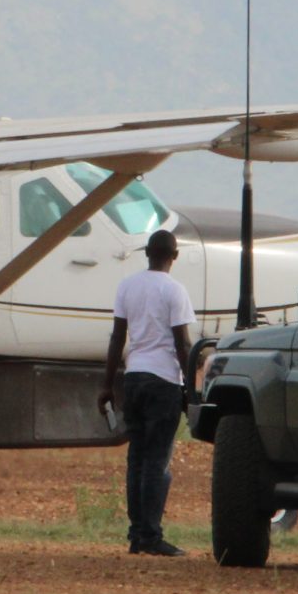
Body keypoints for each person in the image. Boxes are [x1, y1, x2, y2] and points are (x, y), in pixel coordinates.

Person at [101, 228, 195, 557]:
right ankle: (151, 536)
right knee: (157, 462)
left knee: (136, 461)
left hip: (134, 378)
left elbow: (117, 338)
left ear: (147, 254)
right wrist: (191, 387)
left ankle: (136, 536)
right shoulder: (175, 290)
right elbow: (183, 343)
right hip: (163, 382)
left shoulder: (127, 286)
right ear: (175, 256)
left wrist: (107, 385)